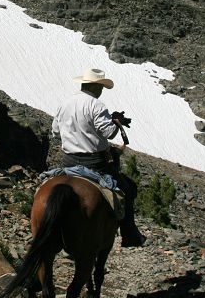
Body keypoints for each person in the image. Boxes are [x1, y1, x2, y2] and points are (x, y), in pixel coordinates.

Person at [51, 68, 146, 247]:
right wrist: (116, 123)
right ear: (95, 86)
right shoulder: (96, 105)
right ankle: (130, 234)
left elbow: (56, 132)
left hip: (68, 160)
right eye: (101, 87)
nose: (102, 90)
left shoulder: (65, 103)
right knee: (127, 189)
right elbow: (109, 133)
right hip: (95, 163)